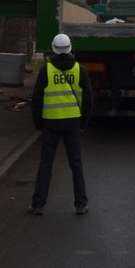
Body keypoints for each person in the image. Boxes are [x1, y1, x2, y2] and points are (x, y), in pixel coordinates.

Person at [29, 33, 92, 216]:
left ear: (54, 49)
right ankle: (81, 204)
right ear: (70, 48)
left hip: (50, 124)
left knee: (46, 164)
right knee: (76, 164)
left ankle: (38, 204)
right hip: (72, 123)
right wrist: (84, 123)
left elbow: (37, 100)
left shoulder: (46, 71)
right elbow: (88, 99)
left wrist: (38, 123)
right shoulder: (79, 70)